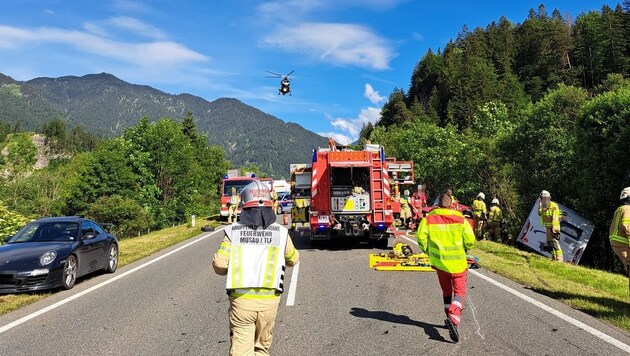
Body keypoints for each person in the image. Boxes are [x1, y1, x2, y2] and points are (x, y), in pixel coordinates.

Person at [213, 180, 300, 356]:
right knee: (261, 349)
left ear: (244, 205)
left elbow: (220, 265)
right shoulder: (281, 233)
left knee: (242, 351)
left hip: (242, 302)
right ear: (270, 204)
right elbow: (293, 259)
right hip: (270, 302)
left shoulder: (233, 232)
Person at [417, 193, 475, 342]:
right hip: (458, 264)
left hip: (440, 264)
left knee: (447, 291)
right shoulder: (461, 220)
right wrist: (465, 248)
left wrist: (428, 252)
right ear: (451, 205)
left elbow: (421, 239)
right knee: (460, 292)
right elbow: (470, 241)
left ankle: (448, 315)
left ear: (438, 204)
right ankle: (454, 317)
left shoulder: (428, 219)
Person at [538, 190, 563, 261]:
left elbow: (555, 218)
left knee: (555, 243)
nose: (541, 199)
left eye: (542, 198)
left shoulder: (554, 206)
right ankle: (553, 258)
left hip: (553, 228)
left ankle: (559, 260)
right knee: (550, 244)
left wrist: (554, 229)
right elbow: (540, 213)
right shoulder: (543, 206)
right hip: (548, 228)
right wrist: (539, 206)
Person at [609, 187, 630, 273]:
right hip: (623, 242)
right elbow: (628, 228)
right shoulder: (628, 209)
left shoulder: (620, 209)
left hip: (617, 242)